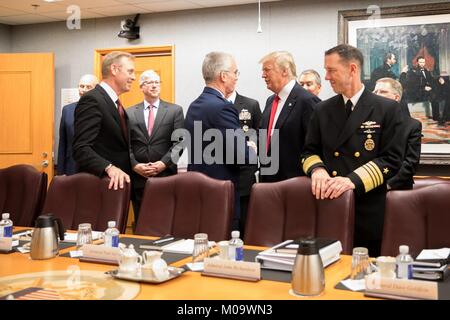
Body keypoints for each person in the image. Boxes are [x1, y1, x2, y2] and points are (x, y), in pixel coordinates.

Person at [301, 44, 403, 257]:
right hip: (328, 208)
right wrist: (317, 170)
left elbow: (392, 160)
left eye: (332, 70)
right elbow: (308, 152)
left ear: (353, 69)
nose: (326, 77)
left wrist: (351, 181)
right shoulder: (322, 109)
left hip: (367, 211)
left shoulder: (386, 108)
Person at [184, 51, 256, 232]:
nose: (236, 77)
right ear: (223, 76)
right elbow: (242, 156)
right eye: (235, 72)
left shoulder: (194, 105)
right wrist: (251, 148)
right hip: (221, 194)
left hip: (199, 192)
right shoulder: (223, 107)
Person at [73, 51, 135, 190]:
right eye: (130, 71)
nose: (133, 77)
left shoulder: (115, 103)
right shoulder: (92, 100)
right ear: (114, 69)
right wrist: (109, 168)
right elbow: (81, 148)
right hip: (98, 187)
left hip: (116, 187)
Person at [127, 70, 184, 220]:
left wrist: (163, 163)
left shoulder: (174, 111)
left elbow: (180, 142)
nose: (154, 86)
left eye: (157, 82)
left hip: (165, 176)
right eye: (149, 82)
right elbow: (125, 144)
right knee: (141, 220)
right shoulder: (129, 113)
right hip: (138, 177)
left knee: (165, 220)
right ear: (141, 87)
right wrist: (134, 165)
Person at [259, 51, 320, 183]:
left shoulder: (307, 101)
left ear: (285, 71)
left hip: (295, 184)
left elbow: (314, 146)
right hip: (269, 182)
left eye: (267, 70)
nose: (263, 75)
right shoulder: (271, 101)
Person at [373, 77, 422, 190]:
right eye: (375, 92)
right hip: (367, 189)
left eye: (383, 92)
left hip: (398, 190)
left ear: (396, 98)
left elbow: (411, 163)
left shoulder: (412, 126)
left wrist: (388, 185)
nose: (377, 95)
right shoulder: (365, 123)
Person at [228, 90, 261, 235]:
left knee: (245, 220)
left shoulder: (250, 104)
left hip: (245, 172)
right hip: (223, 170)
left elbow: (261, 132)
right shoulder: (215, 105)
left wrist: (255, 143)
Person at [57, 74, 98, 175]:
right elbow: (63, 143)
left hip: (94, 168)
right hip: (71, 167)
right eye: (81, 86)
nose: (83, 90)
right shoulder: (67, 110)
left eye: (88, 87)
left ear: (96, 89)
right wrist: (60, 172)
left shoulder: (101, 109)